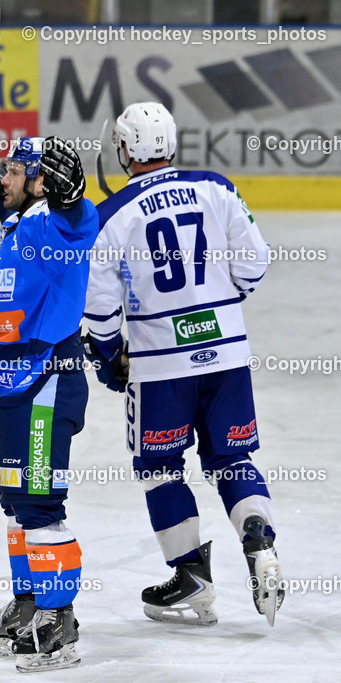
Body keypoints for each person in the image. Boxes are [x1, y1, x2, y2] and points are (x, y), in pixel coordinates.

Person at [83, 102, 283, 627]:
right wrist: (222, 304)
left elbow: (99, 306)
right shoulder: (216, 187)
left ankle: (192, 576)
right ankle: (258, 538)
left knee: (159, 468)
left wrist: (108, 356)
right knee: (233, 460)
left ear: (125, 151)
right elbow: (255, 260)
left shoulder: (111, 215)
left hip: (158, 366)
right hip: (227, 356)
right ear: (171, 142)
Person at [0, 136, 98, 673]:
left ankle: (59, 616)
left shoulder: (56, 219)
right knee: (16, 501)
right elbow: (27, 227)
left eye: (15, 171)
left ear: (44, 181)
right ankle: (30, 603)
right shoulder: (23, 220)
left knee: (41, 504)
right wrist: (3, 198)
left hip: (47, 375)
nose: (4, 177)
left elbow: (77, 226)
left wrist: (70, 197)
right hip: (6, 377)